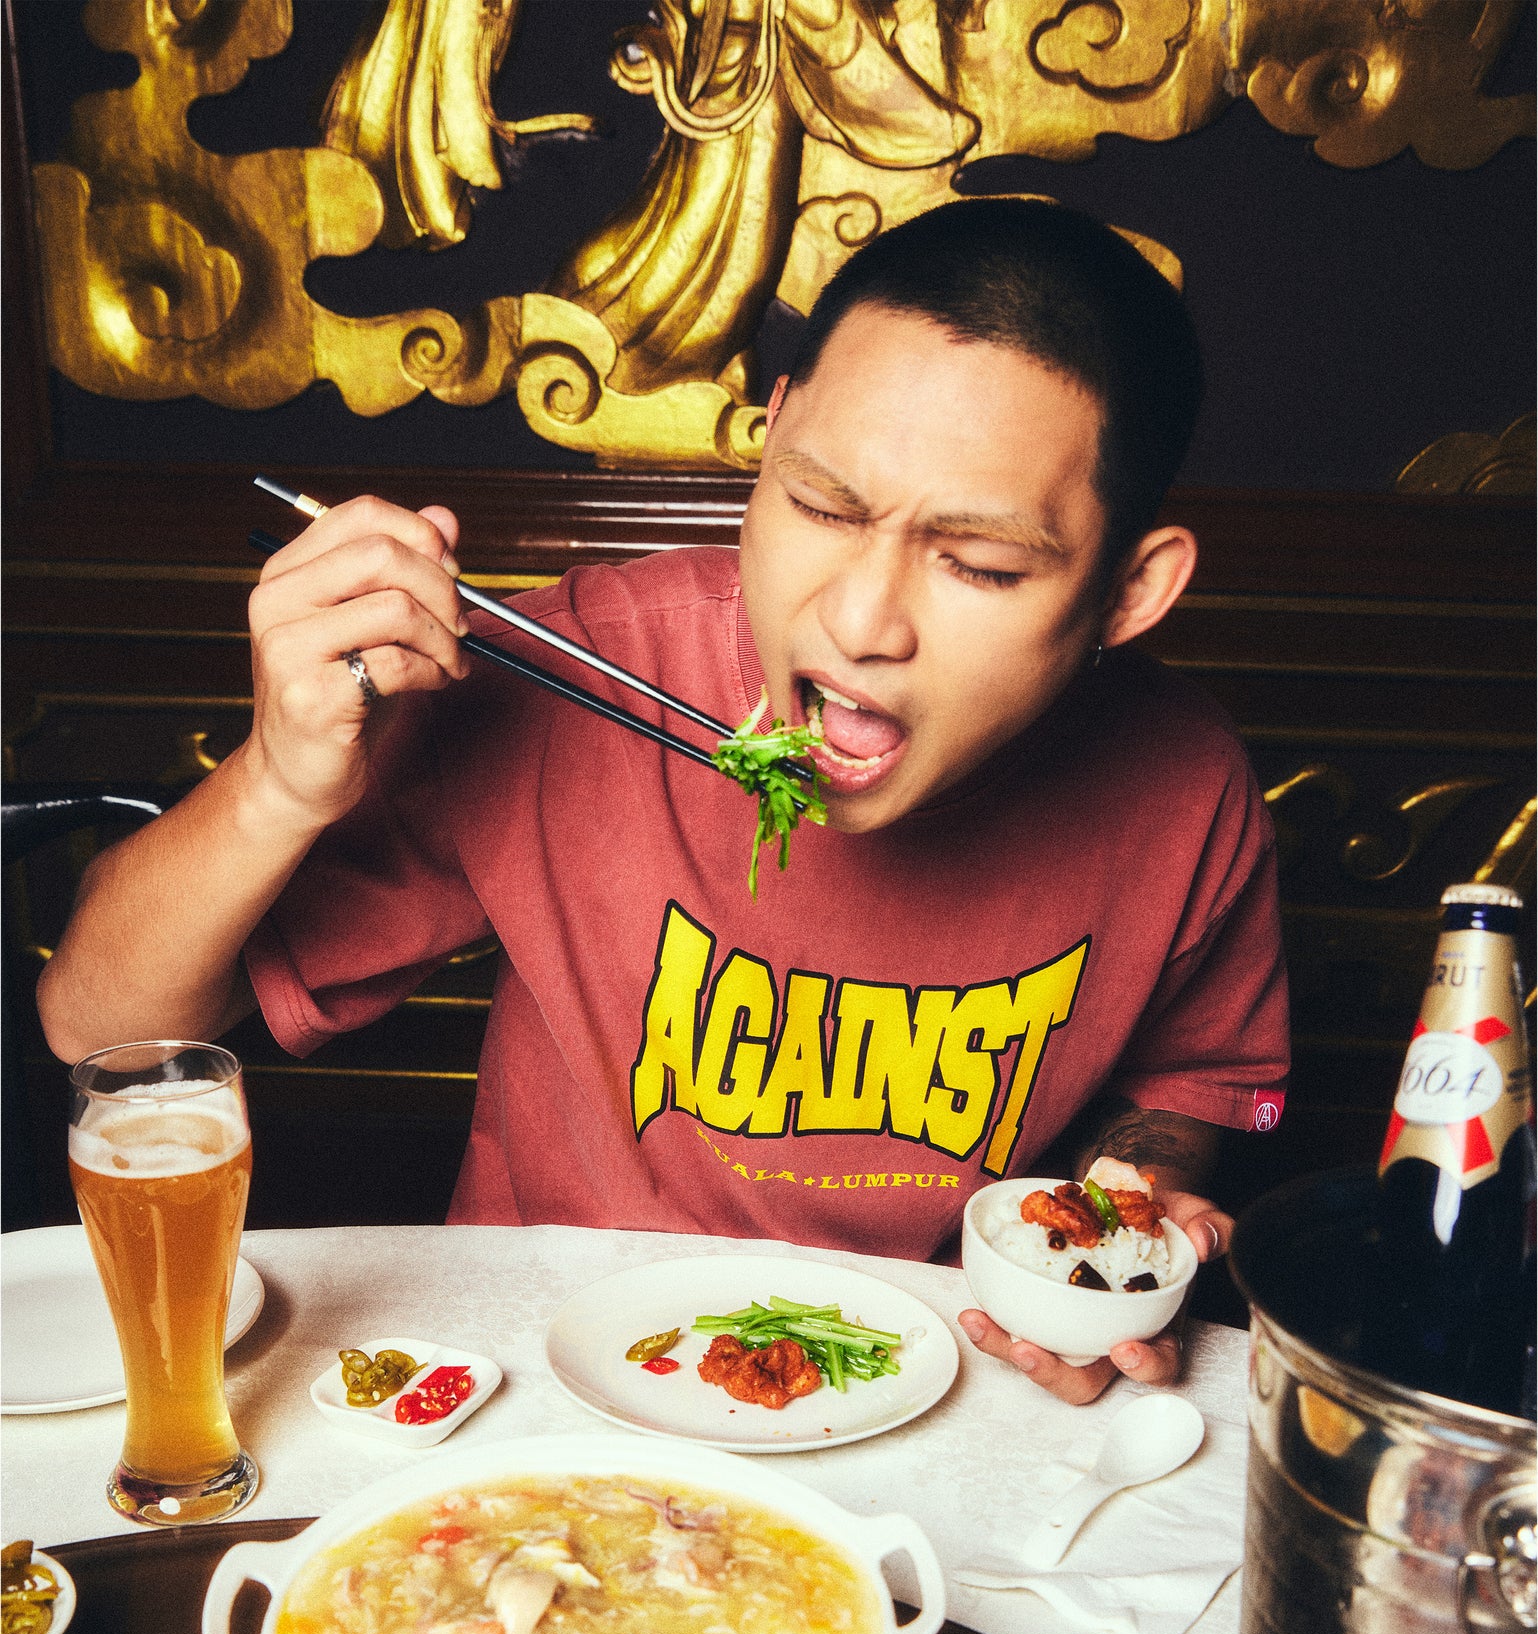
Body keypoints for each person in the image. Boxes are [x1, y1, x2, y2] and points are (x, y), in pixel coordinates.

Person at [38, 200, 1289, 1406]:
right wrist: (276, 778)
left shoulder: (1182, 785)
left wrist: (1117, 1237)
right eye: (817, 503)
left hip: (919, 1385)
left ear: (1129, 589)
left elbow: (1189, 1082)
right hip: (544, 1384)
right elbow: (93, 1021)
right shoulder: (581, 668)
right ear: (770, 428)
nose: (857, 623)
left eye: (979, 563)